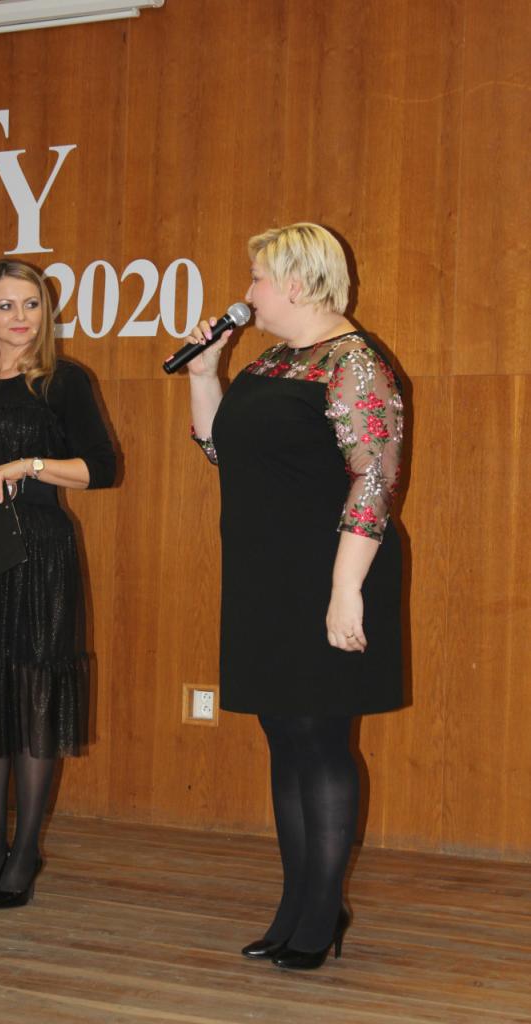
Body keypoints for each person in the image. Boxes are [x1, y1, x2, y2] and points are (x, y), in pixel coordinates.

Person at [185, 223, 404, 970]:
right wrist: (204, 374)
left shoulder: (355, 363)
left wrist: (345, 591)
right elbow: (222, 449)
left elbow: (374, 483)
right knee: (284, 735)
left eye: (256, 278)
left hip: (329, 569)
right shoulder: (273, 362)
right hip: (265, 577)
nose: (246, 293)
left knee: (320, 737)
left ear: (298, 282)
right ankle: (296, 904)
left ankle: (321, 913)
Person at [0, 259, 116, 910]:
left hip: (39, 555)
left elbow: (101, 469)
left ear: (45, 312)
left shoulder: (64, 382)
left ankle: (25, 851)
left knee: (34, 693)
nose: (20, 318)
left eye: (31, 305)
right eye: (6, 305)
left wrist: (25, 466)